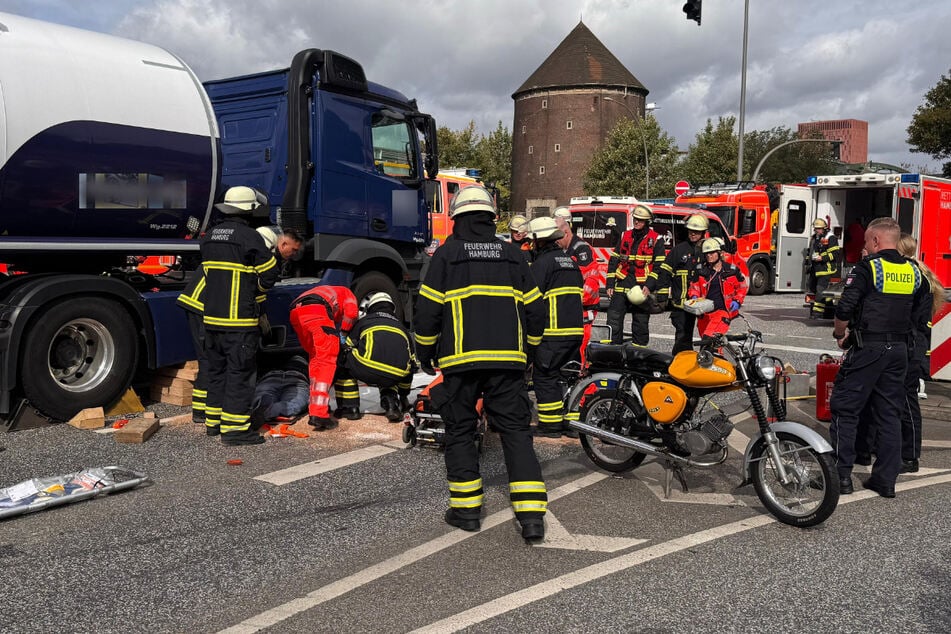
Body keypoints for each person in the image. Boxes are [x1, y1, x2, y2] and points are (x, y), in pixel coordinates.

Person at [415, 185, 549, 543]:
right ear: (491, 219)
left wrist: (425, 351)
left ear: (457, 219)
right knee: (516, 434)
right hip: (508, 363)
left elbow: (428, 311)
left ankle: (467, 512)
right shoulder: (513, 256)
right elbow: (536, 311)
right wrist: (530, 352)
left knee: (460, 431)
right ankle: (533, 518)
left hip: (460, 362)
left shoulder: (447, 255)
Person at [829, 217, 931, 498]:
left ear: (875, 240)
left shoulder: (868, 268)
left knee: (846, 408)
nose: (865, 246)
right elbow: (921, 315)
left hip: (869, 348)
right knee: (890, 414)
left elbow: (845, 308)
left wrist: (840, 334)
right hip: (900, 351)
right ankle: (885, 480)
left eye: (866, 241)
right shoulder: (914, 271)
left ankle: (841, 477)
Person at [200, 186, 280, 445]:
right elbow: (269, 274)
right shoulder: (249, 237)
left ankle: (213, 423)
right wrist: (252, 289)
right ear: (250, 209)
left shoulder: (210, 236)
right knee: (240, 375)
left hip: (211, 320)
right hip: (239, 322)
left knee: (216, 371)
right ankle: (235, 431)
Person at [528, 215, 585, 438]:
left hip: (552, 334)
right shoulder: (570, 261)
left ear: (539, 240)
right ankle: (572, 425)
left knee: (545, 376)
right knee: (569, 378)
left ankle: (551, 425)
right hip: (575, 333)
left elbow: (532, 301)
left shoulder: (542, 264)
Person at [896, 233, 945, 473]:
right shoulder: (920, 274)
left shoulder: (915, 277)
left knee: (907, 401)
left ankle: (910, 456)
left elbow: (912, 317)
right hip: (910, 344)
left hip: (911, 345)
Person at [334, 291, 415, 422]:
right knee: (391, 369)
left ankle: (350, 408)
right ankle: (391, 402)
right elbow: (411, 364)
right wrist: (404, 396)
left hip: (367, 369)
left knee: (344, 359)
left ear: (370, 307)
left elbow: (347, 345)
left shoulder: (365, 321)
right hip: (395, 375)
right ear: (392, 308)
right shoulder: (401, 327)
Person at [289, 285, 359, 431]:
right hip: (317, 311)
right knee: (327, 361)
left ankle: (317, 406)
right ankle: (319, 414)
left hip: (296, 313)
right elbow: (352, 313)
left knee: (316, 361)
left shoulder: (327, 290)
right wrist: (344, 333)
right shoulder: (348, 293)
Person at [605, 204, 665, 346]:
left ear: (647, 222)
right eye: (635, 219)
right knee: (613, 320)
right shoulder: (625, 235)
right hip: (622, 284)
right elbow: (613, 260)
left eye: (640, 220)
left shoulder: (656, 239)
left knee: (640, 324)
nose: (636, 222)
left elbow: (659, 266)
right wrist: (609, 284)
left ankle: (639, 355)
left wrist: (649, 285)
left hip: (641, 287)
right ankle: (613, 353)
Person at [554, 207, 605, 366]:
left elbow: (589, 284)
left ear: (566, 233)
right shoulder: (563, 249)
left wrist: (569, 300)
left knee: (579, 349)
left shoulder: (581, 249)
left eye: (556, 238)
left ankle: (585, 388)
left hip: (584, 308)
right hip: (570, 307)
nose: (554, 242)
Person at [652, 213, 708, 355]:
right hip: (682, 304)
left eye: (696, 231)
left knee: (709, 336)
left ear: (703, 232)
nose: (693, 233)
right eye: (690, 230)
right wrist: (662, 296)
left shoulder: (709, 250)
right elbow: (665, 272)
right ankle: (681, 366)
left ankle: (707, 363)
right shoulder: (679, 250)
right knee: (682, 338)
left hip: (705, 304)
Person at [688, 238, 748, 338]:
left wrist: (737, 301)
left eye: (712, 253)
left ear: (719, 253)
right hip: (704, 314)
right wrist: (694, 296)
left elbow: (742, 287)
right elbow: (694, 286)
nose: (709, 255)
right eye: (706, 253)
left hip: (722, 311)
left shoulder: (731, 270)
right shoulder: (701, 270)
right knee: (708, 344)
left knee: (710, 340)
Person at [251, 355, 310, 424]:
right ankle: (269, 411)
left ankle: (260, 406)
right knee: (295, 404)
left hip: (272, 376)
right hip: (297, 379)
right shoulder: (311, 362)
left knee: (260, 396)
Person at [806, 218, 841, 318]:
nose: (817, 230)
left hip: (826, 268)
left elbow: (835, 254)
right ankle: (829, 304)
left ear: (825, 228)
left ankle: (817, 312)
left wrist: (822, 258)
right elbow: (810, 252)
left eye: (819, 229)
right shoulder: (814, 238)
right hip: (815, 268)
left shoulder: (831, 238)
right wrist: (807, 263)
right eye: (816, 228)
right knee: (812, 287)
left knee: (820, 289)